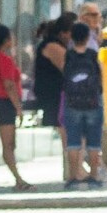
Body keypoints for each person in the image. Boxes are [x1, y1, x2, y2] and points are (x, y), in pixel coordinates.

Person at [0, 23, 32, 191]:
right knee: (9, 144)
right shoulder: (3, 59)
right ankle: (18, 179)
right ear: (5, 40)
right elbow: (9, 85)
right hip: (4, 102)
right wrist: (18, 107)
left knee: (9, 143)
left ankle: (17, 178)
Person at [60, 22, 107, 187]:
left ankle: (73, 177)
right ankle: (94, 176)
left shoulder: (68, 55)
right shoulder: (93, 55)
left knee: (73, 142)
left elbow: (64, 77)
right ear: (87, 38)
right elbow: (101, 76)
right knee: (94, 143)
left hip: (72, 103)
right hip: (93, 103)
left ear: (72, 37)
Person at [31, 15, 71, 180]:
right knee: (68, 134)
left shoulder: (56, 45)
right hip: (55, 95)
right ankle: (74, 170)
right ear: (63, 33)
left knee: (69, 133)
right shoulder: (53, 46)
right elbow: (69, 69)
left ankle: (74, 170)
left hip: (58, 94)